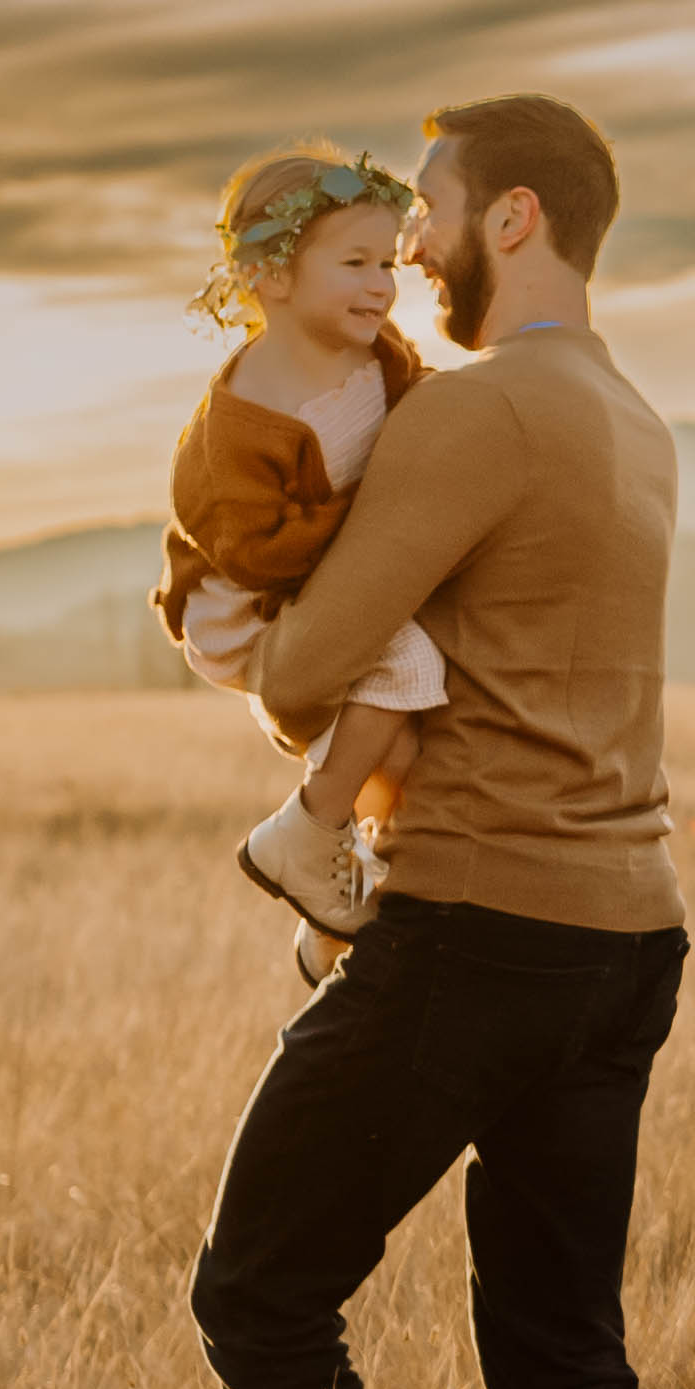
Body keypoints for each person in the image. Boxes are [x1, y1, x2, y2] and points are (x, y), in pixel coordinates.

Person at [184, 92, 695, 1389]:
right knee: (562, 1362)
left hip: (479, 926)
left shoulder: (482, 413)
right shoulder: (633, 420)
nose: (409, 250)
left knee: (260, 1297)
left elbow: (295, 678)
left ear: (509, 219)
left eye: (425, 211)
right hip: (623, 938)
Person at [152, 142, 442, 949]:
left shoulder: (376, 355)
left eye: (387, 262)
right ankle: (305, 828)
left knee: (405, 752)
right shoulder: (242, 423)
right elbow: (252, 549)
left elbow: (421, 410)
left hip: (331, 578)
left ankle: (334, 913)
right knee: (408, 668)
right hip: (250, 603)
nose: (382, 283)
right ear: (270, 280)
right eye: (354, 262)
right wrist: (378, 531)